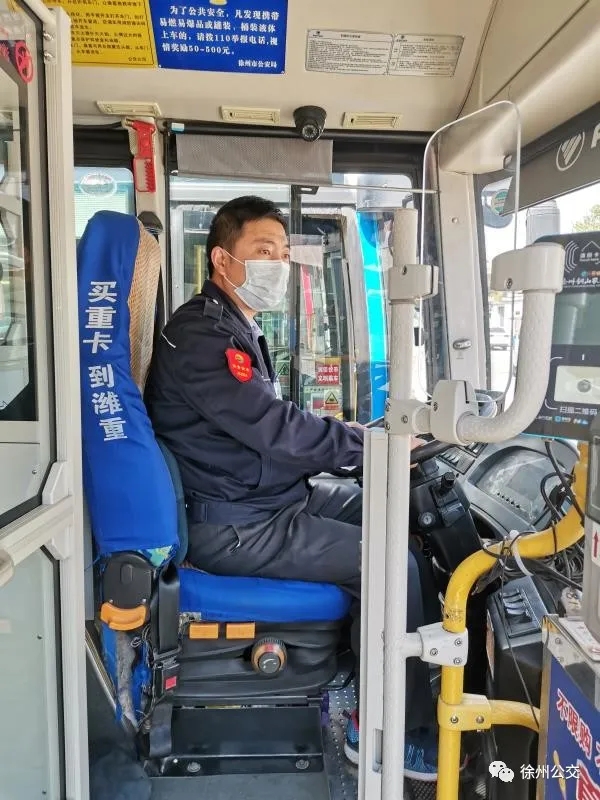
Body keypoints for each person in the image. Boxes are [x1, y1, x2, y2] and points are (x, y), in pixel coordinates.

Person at [145, 196, 439, 780]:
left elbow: (272, 424)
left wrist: (360, 441)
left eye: (282, 253)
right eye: (262, 250)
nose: (277, 264)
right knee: (392, 564)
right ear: (221, 260)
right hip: (237, 525)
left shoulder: (232, 324)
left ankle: (392, 676)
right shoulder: (205, 337)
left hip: (267, 499)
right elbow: (275, 428)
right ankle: (388, 732)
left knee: (396, 511)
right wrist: (368, 447)